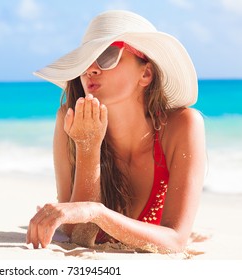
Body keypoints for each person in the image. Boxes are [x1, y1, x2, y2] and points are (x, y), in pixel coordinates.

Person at [26, 10, 206, 253]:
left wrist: (97, 212)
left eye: (108, 55)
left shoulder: (181, 126)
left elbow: (175, 241)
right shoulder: (70, 120)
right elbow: (78, 234)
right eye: (85, 59)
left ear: (146, 73)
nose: (91, 68)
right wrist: (88, 146)